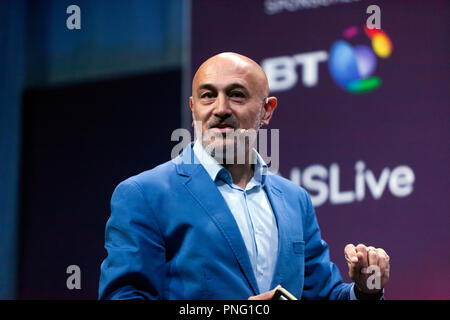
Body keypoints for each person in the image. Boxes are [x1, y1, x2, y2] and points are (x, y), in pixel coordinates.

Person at [98, 52, 390, 300]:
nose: (220, 109)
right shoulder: (144, 194)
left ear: (267, 110)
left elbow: (322, 294)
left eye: (236, 95)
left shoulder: (294, 200)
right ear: (193, 108)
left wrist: (365, 290)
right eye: (208, 96)